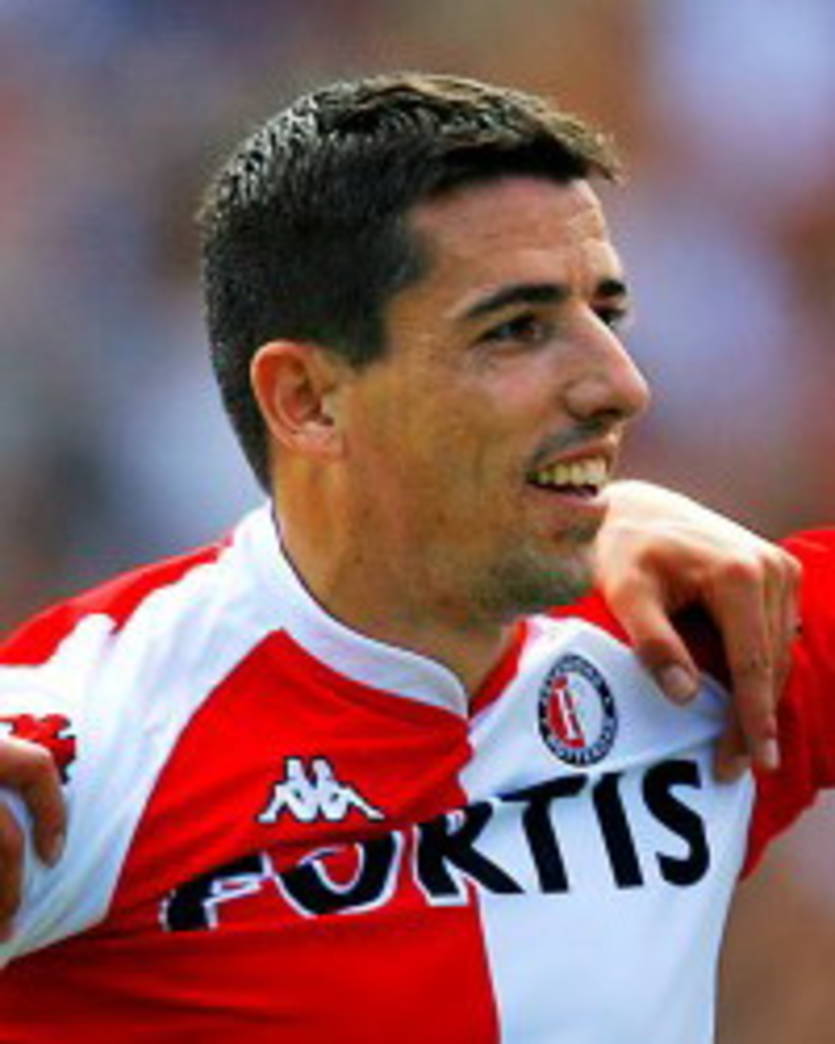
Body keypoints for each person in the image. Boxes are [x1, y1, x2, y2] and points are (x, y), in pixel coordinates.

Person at [0, 73, 819, 1043]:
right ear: (307, 400)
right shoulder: (99, 732)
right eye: (516, 330)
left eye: (606, 314)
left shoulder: (710, 640)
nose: (620, 384)